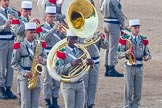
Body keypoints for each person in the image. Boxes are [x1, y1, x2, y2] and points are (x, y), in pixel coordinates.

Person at [55, 29, 94, 108]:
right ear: (67, 39)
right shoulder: (61, 52)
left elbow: (85, 68)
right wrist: (71, 64)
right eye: (72, 38)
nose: (75, 41)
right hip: (68, 84)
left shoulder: (82, 51)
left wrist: (90, 64)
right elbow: (58, 70)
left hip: (80, 83)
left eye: (76, 38)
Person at [11, 22, 47, 108]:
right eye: (31, 32)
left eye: (34, 32)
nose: (33, 34)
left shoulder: (40, 44)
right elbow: (14, 63)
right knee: (25, 103)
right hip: (24, 77)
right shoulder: (19, 45)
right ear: (25, 32)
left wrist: (42, 60)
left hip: (36, 75)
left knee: (35, 104)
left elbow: (46, 60)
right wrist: (24, 73)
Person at [118, 19, 151, 108]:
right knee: (128, 89)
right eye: (135, 28)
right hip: (129, 67)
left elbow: (148, 53)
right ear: (130, 29)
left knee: (138, 90)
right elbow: (118, 54)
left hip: (139, 67)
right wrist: (125, 53)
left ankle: (135, 106)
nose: (137, 29)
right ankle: (127, 106)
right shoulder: (124, 40)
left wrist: (147, 57)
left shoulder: (143, 39)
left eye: (138, 27)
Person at [40, 6, 63, 108]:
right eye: (50, 17)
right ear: (45, 17)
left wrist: (62, 32)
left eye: (54, 17)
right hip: (47, 55)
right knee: (47, 80)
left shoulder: (58, 27)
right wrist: (54, 29)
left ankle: (55, 100)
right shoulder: (41, 27)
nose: (53, 19)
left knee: (57, 80)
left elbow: (64, 41)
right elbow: (43, 38)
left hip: (57, 56)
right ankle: (47, 101)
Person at [82, 32, 109, 108]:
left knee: (93, 84)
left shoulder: (96, 34)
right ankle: (83, 103)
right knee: (84, 84)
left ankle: (90, 103)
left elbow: (107, 46)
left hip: (95, 62)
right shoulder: (79, 33)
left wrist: (102, 39)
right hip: (84, 62)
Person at [100, 0, 125, 77]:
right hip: (113, 24)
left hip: (105, 22)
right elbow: (118, 13)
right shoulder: (114, 1)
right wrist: (122, 23)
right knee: (113, 47)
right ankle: (111, 69)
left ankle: (107, 68)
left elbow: (101, 10)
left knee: (108, 47)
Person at [0, 0, 18, 99]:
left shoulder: (12, 12)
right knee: (2, 66)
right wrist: (4, 26)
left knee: (10, 66)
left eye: (8, 0)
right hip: (1, 41)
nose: (6, 2)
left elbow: (19, 22)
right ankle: (1, 88)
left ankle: (8, 87)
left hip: (11, 41)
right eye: (4, 0)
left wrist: (14, 20)